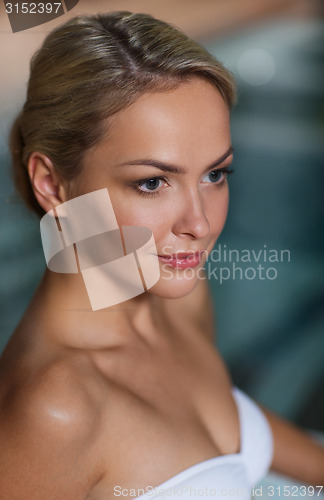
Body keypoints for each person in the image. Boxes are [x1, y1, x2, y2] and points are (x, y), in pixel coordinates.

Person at [0, 11, 323, 500]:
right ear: (51, 183)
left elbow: (227, 427)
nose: (199, 223)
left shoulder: (178, 295)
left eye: (215, 174)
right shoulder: (55, 413)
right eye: (152, 183)